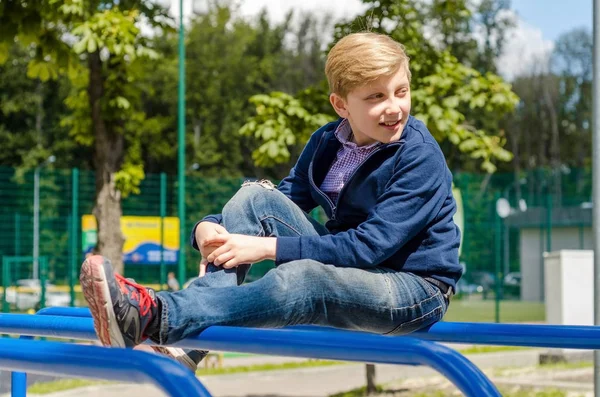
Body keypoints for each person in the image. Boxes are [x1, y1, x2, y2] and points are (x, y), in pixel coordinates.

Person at [79, 32, 462, 373]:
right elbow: (277, 200)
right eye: (376, 97)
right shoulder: (327, 142)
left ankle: (156, 315)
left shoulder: (419, 155)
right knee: (254, 196)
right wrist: (206, 227)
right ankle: (185, 349)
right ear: (341, 105)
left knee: (305, 278)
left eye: (401, 91)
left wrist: (266, 249)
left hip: (414, 288)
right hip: (356, 269)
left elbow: (369, 246)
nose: (394, 107)